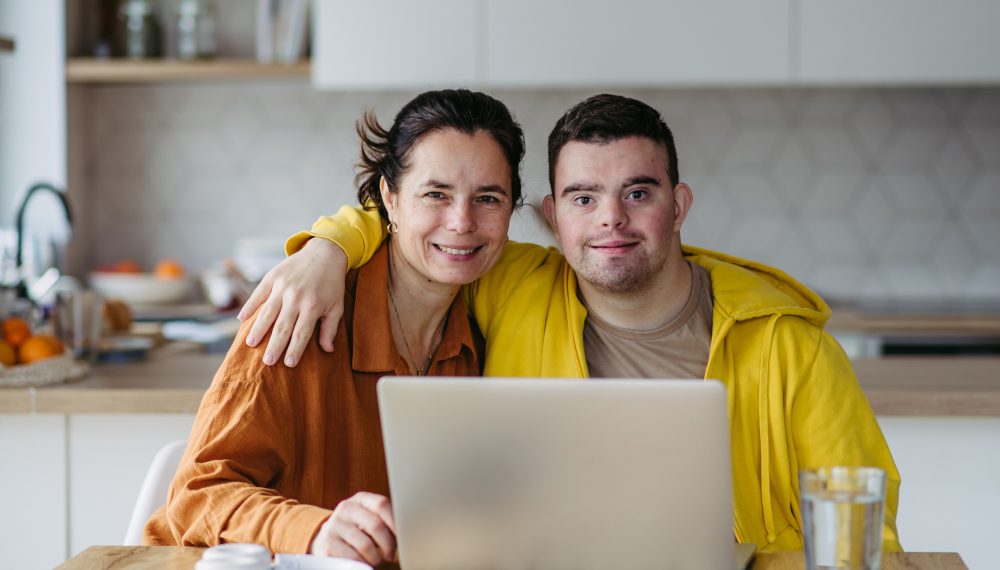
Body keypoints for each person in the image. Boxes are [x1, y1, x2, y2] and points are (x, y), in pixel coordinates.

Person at [240, 94, 902, 553]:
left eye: (638, 192)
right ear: (554, 217)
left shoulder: (793, 349)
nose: (611, 219)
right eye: (585, 198)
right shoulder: (508, 282)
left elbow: (869, 536)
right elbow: (426, 222)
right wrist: (325, 250)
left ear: (679, 206)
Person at [142, 89, 526, 568]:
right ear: (390, 198)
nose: (462, 222)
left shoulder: (488, 328)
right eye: (435, 194)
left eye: (488, 198)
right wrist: (316, 530)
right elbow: (196, 496)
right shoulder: (302, 313)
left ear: (511, 210)